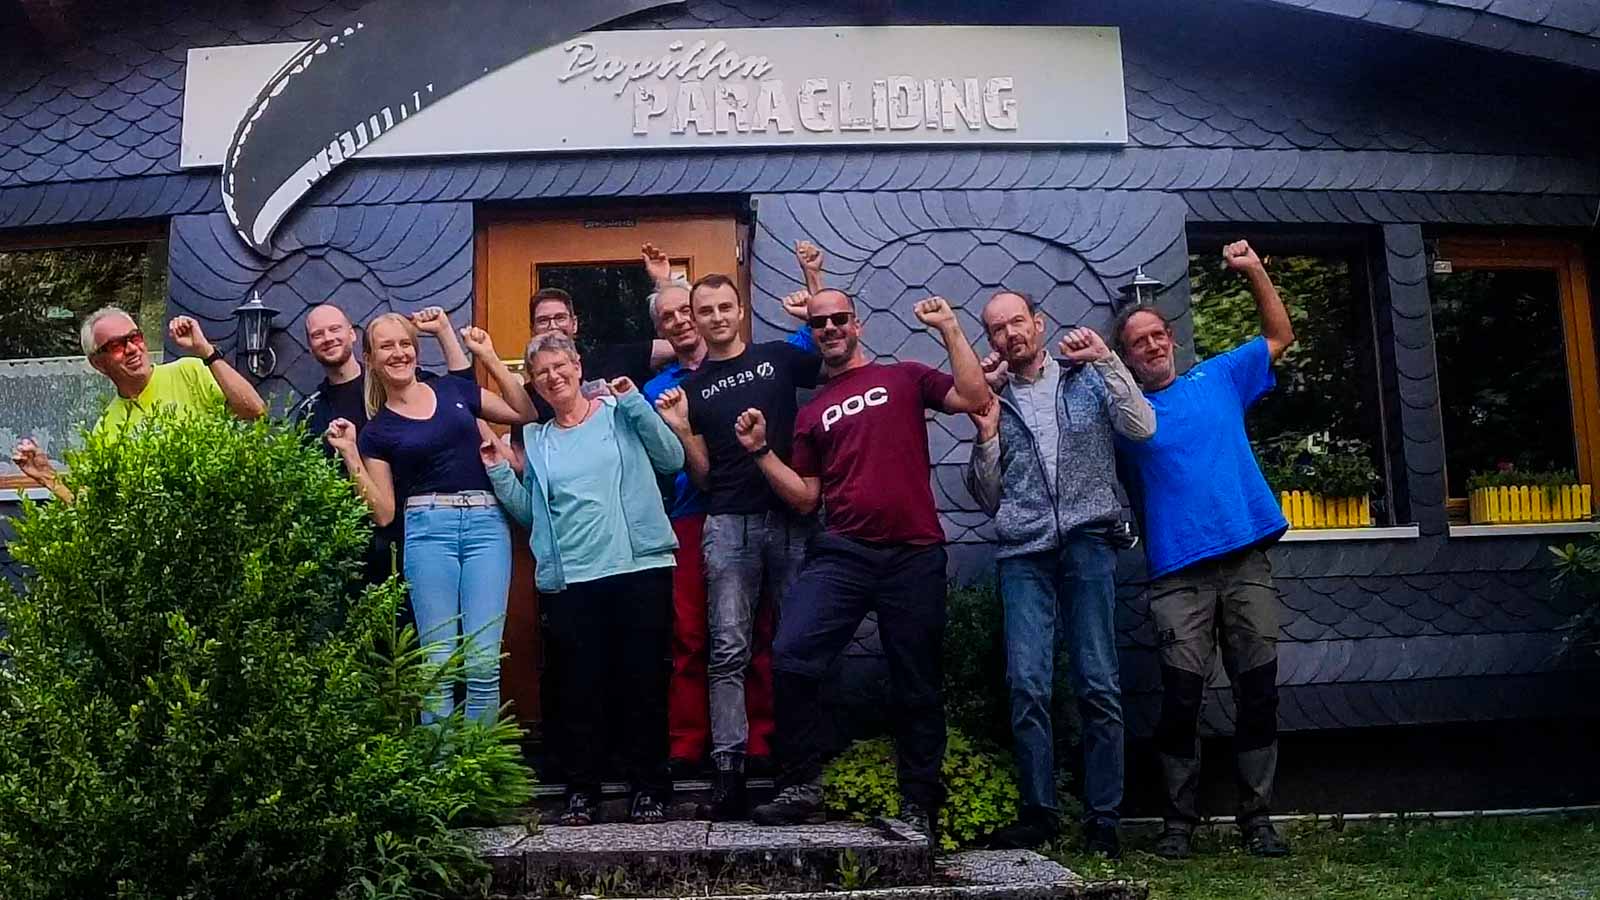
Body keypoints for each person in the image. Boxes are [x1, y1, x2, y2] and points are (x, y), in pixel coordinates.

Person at [739, 290, 991, 841]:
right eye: (819, 323)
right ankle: (801, 785)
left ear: (857, 325)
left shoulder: (904, 377)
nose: (829, 328)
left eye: (838, 319)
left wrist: (949, 326)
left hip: (914, 553)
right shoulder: (811, 412)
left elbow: (974, 396)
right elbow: (806, 498)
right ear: (813, 334)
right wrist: (760, 452)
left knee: (916, 680)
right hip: (844, 552)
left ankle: (918, 804)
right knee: (791, 655)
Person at [1111, 239, 1294, 860]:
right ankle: (1177, 824)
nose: (1152, 345)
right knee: (1182, 699)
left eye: (1158, 334)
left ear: (1171, 338)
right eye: (1138, 342)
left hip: (1245, 561)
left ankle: (1258, 819)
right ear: (1127, 357)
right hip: (1177, 576)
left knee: (1258, 691)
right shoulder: (1127, 416)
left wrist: (1255, 270)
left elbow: (1279, 335)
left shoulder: (1218, 377)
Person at [963, 291, 1156, 856]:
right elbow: (987, 497)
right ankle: (1039, 814)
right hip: (1024, 553)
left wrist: (1107, 358)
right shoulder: (993, 398)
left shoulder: (1086, 376)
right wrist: (986, 435)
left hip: (1088, 541)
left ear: (1038, 324)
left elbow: (1142, 427)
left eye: (1017, 322)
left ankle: (1103, 819)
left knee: (1098, 683)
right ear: (991, 340)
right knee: (1027, 684)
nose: (1010, 334)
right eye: (997, 329)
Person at [482, 332, 684, 826]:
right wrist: (501, 474)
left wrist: (635, 402)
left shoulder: (619, 411)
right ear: (534, 384)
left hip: (638, 567)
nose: (553, 377)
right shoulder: (537, 439)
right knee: (579, 690)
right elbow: (533, 516)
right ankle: (582, 792)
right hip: (571, 579)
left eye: (560, 366)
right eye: (542, 373)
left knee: (643, 683)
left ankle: (649, 787)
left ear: (577, 365)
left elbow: (672, 459)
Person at [645, 242, 823, 787]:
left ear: (740, 310)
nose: (716, 317)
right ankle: (730, 766)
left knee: (793, 641)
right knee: (728, 646)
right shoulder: (689, 389)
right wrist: (681, 429)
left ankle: (795, 762)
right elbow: (702, 477)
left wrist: (813, 279)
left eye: (725, 307)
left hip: (790, 518)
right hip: (727, 523)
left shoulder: (777, 358)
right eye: (706, 311)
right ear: (695, 321)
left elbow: (830, 346)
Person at [322, 307, 534, 724]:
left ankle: (479, 763)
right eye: (387, 346)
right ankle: (440, 764)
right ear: (370, 358)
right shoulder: (377, 432)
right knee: (438, 666)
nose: (399, 353)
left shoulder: (454, 389)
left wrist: (488, 357)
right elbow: (384, 513)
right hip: (428, 531)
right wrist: (350, 455)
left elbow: (523, 411)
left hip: (486, 526)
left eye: (405, 344)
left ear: (416, 351)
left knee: (482, 664)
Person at [291, 302, 473, 586]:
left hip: (420, 534)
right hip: (354, 549)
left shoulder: (398, 379)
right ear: (309, 346)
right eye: (318, 334)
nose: (328, 338)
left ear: (352, 334)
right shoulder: (312, 412)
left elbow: (464, 393)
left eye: (335, 329)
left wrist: (444, 332)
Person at [11, 307, 266, 504]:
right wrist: (47, 477)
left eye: (134, 337)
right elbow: (96, 510)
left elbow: (254, 411)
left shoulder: (189, 372)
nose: (132, 348)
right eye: (116, 346)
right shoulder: (105, 430)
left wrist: (206, 352)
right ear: (98, 364)